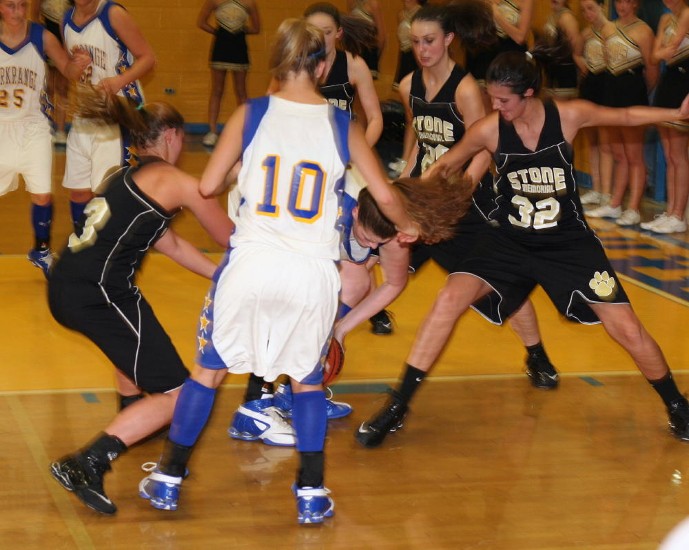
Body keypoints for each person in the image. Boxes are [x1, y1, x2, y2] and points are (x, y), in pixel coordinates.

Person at [138, 18, 420, 525]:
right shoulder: (342, 124)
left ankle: (169, 476)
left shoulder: (252, 112)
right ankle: (310, 492)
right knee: (307, 381)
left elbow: (207, 187)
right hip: (311, 272)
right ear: (323, 65)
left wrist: (236, 168)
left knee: (209, 371)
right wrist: (408, 227)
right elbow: (383, 194)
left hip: (251, 262)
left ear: (277, 62)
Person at [355, 47, 689, 450]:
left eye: (504, 100)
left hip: (568, 244)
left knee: (626, 328)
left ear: (529, 93)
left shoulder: (568, 115)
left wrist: (676, 112)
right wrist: (405, 206)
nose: (496, 107)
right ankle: (398, 404)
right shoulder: (490, 130)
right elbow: (445, 165)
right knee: (448, 300)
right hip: (508, 240)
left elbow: (626, 115)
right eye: (492, 98)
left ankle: (677, 405)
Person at [47, 89, 234, 515]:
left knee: (130, 340)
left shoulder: (123, 175)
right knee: (180, 394)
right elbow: (228, 236)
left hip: (70, 284)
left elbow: (172, 245)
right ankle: (88, 462)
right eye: (182, 139)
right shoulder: (173, 180)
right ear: (170, 136)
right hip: (98, 294)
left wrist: (220, 277)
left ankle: (134, 416)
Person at [227, 166, 472, 447]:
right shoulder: (328, 209)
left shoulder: (390, 224)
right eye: (367, 238)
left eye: (379, 243)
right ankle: (253, 406)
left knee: (356, 281)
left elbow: (394, 283)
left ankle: (292, 392)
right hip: (262, 219)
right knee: (288, 299)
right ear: (356, 212)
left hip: (313, 232)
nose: (372, 245)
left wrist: (341, 329)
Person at [396, 3, 559, 392]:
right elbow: (418, 137)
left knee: (496, 283)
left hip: (465, 204)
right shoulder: (407, 85)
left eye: (429, 41)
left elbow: (485, 147)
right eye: (416, 42)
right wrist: (404, 181)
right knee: (374, 256)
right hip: (426, 199)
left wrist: (458, 196)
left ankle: (536, 354)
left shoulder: (466, 88)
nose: (422, 49)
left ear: (448, 40)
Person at [0, 0, 89, 277]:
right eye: (11, 5)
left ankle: (41, 249)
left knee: (42, 194)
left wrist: (79, 64)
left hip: (34, 126)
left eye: (22, 5)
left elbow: (68, 71)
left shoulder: (42, 36)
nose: (18, 11)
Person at [62, 0, 156, 232]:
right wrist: (76, 66)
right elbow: (71, 73)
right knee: (78, 189)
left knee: (109, 190)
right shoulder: (66, 20)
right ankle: (83, 243)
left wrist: (118, 81)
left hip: (118, 111)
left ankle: (113, 245)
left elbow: (147, 57)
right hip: (87, 111)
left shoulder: (112, 13)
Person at [586, 0, 658, 227]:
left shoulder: (644, 30)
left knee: (634, 155)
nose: (621, 5)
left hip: (632, 93)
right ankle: (615, 203)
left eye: (626, 1)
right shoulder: (609, 28)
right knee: (618, 153)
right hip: (611, 92)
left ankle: (634, 208)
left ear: (635, 3)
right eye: (618, 1)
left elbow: (652, 69)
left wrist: (640, 93)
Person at [642, 0, 689, 234]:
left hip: (684, 81)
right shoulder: (665, 18)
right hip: (668, 81)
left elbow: (671, 48)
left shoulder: (687, 14)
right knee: (669, 154)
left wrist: (663, 52)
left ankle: (679, 214)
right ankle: (670, 212)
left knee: (679, 155)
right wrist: (662, 52)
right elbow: (654, 56)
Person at [197, 0, 260, 148]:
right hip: (220, 47)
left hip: (239, 47)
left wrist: (240, 31)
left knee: (241, 91)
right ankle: (212, 131)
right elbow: (201, 22)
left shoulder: (249, 3)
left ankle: (246, 130)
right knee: (217, 90)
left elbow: (256, 28)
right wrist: (218, 32)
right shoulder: (215, 1)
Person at [576, 0, 614, 208]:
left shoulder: (612, 29)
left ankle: (607, 193)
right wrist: (579, 60)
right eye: (583, 10)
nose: (587, 13)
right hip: (590, 84)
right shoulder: (586, 33)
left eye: (591, 8)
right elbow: (576, 53)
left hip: (607, 86)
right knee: (593, 142)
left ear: (602, 6)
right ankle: (596, 189)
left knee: (606, 142)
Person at [30, 0, 72, 145]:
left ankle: (60, 130)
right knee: (47, 86)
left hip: (66, 34)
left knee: (63, 87)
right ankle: (46, 126)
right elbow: (34, 13)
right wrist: (37, 38)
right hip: (48, 32)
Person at [540, 0, 580, 99]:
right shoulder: (553, 15)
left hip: (564, 73)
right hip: (552, 72)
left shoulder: (567, 17)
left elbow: (576, 46)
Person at [346, 0, 385, 79]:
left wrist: (376, 55)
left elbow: (381, 33)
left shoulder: (373, 4)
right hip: (355, 48)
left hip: (369, 50)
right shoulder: (351, 2)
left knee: (366, 80)